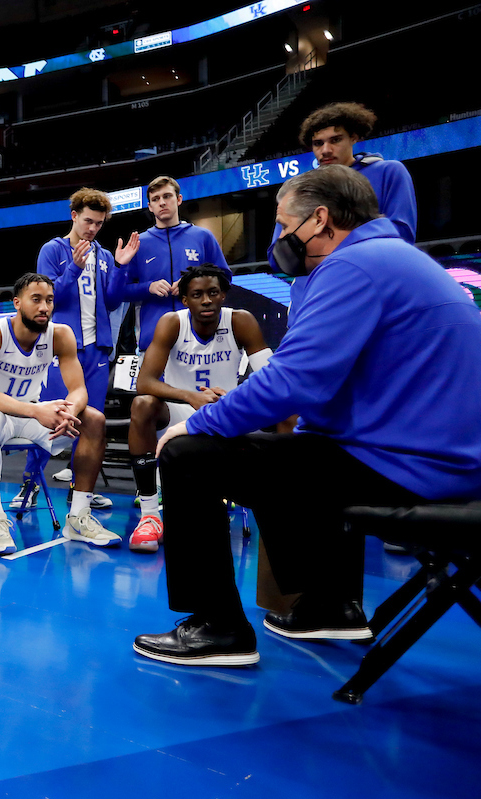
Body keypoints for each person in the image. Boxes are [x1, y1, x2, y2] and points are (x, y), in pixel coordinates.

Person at [132, 166, 481, 668]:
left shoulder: (352, 266)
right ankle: (328, 604)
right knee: (295, 451)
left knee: (189, 455)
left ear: (320, 220)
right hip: (449, 464)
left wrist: (198, 422)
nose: (278, 237)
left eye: (282, 224)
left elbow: (293, 381)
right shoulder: (400, 258)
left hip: (411, 469)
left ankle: (218, 626)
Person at [0, 273, 119, 555]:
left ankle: (78, 516)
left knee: (94, 420)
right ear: (17, 303)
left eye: (49, 300)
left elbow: (78, 390)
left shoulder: (60, 334)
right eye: (36, 300)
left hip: (30, 414)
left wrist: (70, 411)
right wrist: (37, 411)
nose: (44, 307)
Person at [126, 264, 272, 554]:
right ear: (185, 300)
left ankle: (287, 504)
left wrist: (234, 397)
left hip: (226, 413)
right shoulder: (172, 322)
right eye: (197, 294)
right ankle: (150, 517)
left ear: (223, 296)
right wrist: (189, 396)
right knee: (142, 405)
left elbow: (271, 378)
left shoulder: (241, 321)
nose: (206, 300)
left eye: (213, 293)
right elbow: (144, 382)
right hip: (180, 412)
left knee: (286, 412)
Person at [32, 187, 139, 510]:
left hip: (97, 349)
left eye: (99, 223)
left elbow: (112, 301)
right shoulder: (52, 250)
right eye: (88, 221)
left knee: (92, 421)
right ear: (74, 216)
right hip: (63, 350)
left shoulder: (105, 256)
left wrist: (120, 267)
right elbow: (47, 300)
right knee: (47, 418)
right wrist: (74, 268)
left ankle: (83, 490)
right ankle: (30, 482)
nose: (93, 229)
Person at [269, 102, 417, 316]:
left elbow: (402, 239)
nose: (325, 150)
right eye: (318, 143)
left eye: (335, 140)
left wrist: (313, 239)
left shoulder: (389, 172)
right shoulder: (299, 187)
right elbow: (278, 257)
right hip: (309, 304)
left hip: (369, 299)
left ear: (354, 137)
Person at [120, 176, 231, 354]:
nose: (162, 203)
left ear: (178, 200)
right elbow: (122, 292)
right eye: (155, 199)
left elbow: (225, 277)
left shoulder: (202, 237)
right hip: (154, 342)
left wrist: (192, 283)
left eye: (167, 196)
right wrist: (148, 287)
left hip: (200, 339)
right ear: (150, 207)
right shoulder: (138, 243)